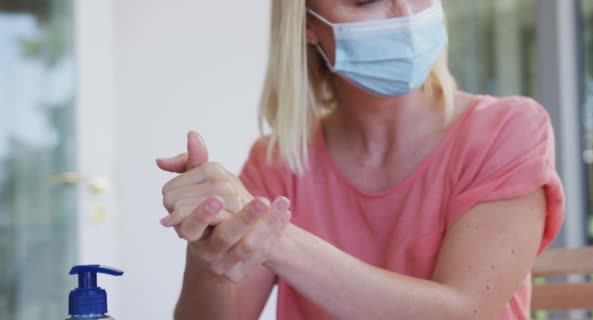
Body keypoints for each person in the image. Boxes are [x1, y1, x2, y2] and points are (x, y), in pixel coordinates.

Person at [156, 0, 564, 319]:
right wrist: (212, 248)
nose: (404, 15)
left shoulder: (508, 130)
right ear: (308, 26)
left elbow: (462, 311)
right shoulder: (279, 160)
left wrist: (272, 237)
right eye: (367, 0)